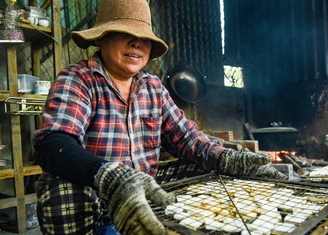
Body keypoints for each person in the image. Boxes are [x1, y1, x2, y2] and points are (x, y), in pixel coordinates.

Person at [32, 0, 287, 234]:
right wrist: (110, 177)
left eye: (142, 37)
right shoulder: (79, 79)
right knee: (63, 193)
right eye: (125, 34)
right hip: (94, 196)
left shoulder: (152, 86)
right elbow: (53, 144)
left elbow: (186, 139)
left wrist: (227, 157)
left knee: (205, 164)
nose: (136, 43)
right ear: (101, 39)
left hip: (144, 191)